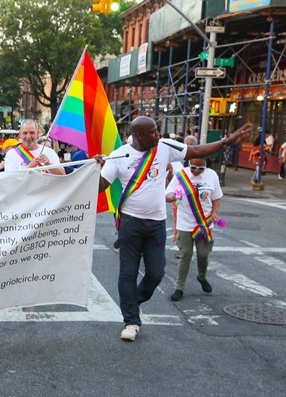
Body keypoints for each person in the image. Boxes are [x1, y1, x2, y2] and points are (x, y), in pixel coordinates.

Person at [97, 116, 251, 341]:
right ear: (138, 135)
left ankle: (134, 301)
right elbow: (101, 186)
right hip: (130, 224)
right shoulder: (119, 156)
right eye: (152, 132)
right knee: (127, 274)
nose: (158, 134)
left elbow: (196, 150)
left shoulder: (165, 148)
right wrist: (95, 168)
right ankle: (131, 321)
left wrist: (226, 142)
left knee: (156, 273)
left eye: (157, 130)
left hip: (157, 224)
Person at [165, 157, 222, 302]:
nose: (196, 171)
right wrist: (171, 197)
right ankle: (179, 288)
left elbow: (216, 198)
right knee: (186, 254)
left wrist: (214, 212)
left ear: (205, 166)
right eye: (193, 168)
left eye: (200, 168)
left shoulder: (212, 175)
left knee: (203, 254)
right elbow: (168, 194)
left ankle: (202, 277)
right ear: (189, 165)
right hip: (185, 222)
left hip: (203, 222)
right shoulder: (181, 175)